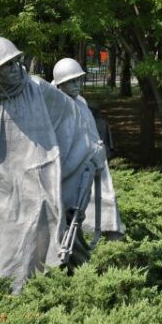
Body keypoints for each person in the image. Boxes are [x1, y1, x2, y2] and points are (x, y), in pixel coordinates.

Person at [0, 37, 103, 293]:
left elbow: (71, 118)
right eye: (7, 65)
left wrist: (87, 152)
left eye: (16, 61)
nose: (15, 68)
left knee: (40, 215)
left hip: (37, 179)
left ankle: (34, 285)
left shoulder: (38, 89)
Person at [52, 57, 125, 239]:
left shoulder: (81, 101)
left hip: (95, 158)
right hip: (74, 163)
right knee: (74, 203)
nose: (77, 85)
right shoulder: (56, 105)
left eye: (78, 80)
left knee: (104, 195)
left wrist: (97, 150)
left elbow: (90, 130)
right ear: (61, 84)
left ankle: (108, 231)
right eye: (71, 81)